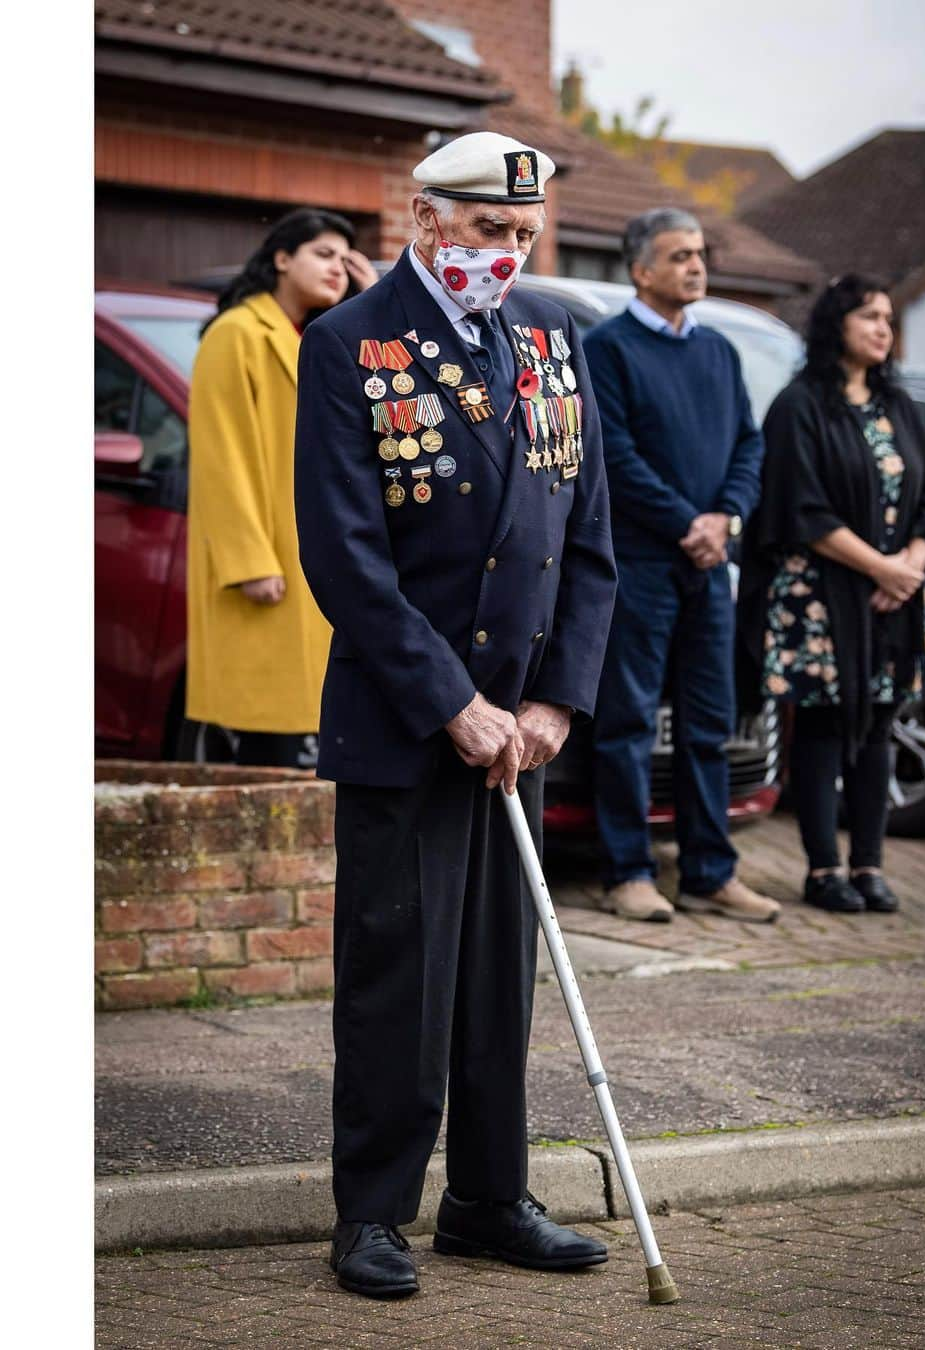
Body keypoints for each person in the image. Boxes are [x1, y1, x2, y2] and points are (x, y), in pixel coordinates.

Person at [293, 132, 618, 1300]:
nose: (509, 252)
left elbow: (588, 539)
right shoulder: (348, 345)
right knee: (399, 973)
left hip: (518, 730)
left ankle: (489, 1199)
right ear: (426, 220)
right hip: (408, 720)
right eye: (489, 230)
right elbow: (346, 557)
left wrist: (553, 699)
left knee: (496, 978)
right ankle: (373, 1214)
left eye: (524, 234)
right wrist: (455, 704)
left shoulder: (551, 337)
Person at [583, 208, 781, 925]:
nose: (695, 266)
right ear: (640, 270)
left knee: (708, 723)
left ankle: (708, 873)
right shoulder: (607, 349)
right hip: (639, 564)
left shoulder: (719, 352)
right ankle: (627, 872)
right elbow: (615, 455)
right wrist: (685, 522)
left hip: (708, 562)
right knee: (627, 723)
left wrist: (725, 517)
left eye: (699, 254)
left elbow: (748, 446)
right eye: (678, 256)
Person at [736, 274, 925, 914]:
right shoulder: (801, 405)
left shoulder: (898, 407)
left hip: (894, 599)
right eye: (869, 317)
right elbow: (800, 508)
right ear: (836, 327)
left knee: (880, 727)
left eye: (888, 318)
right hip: (822, 598)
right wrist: (881, 569)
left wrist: (907, 566)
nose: (883, 328)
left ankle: (870, 866)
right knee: (823, 730)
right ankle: (824, 868)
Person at [186, 207, 377, 768]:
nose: (337, 268)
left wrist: (371, 303)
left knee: (314, 717)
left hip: (320, 549)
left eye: (346, 259)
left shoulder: (333, 335)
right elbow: (221, 458)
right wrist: (249, 561)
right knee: (266, 726)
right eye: (323, 254)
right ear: (281, 258)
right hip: (267, 560)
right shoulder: (236, 333)